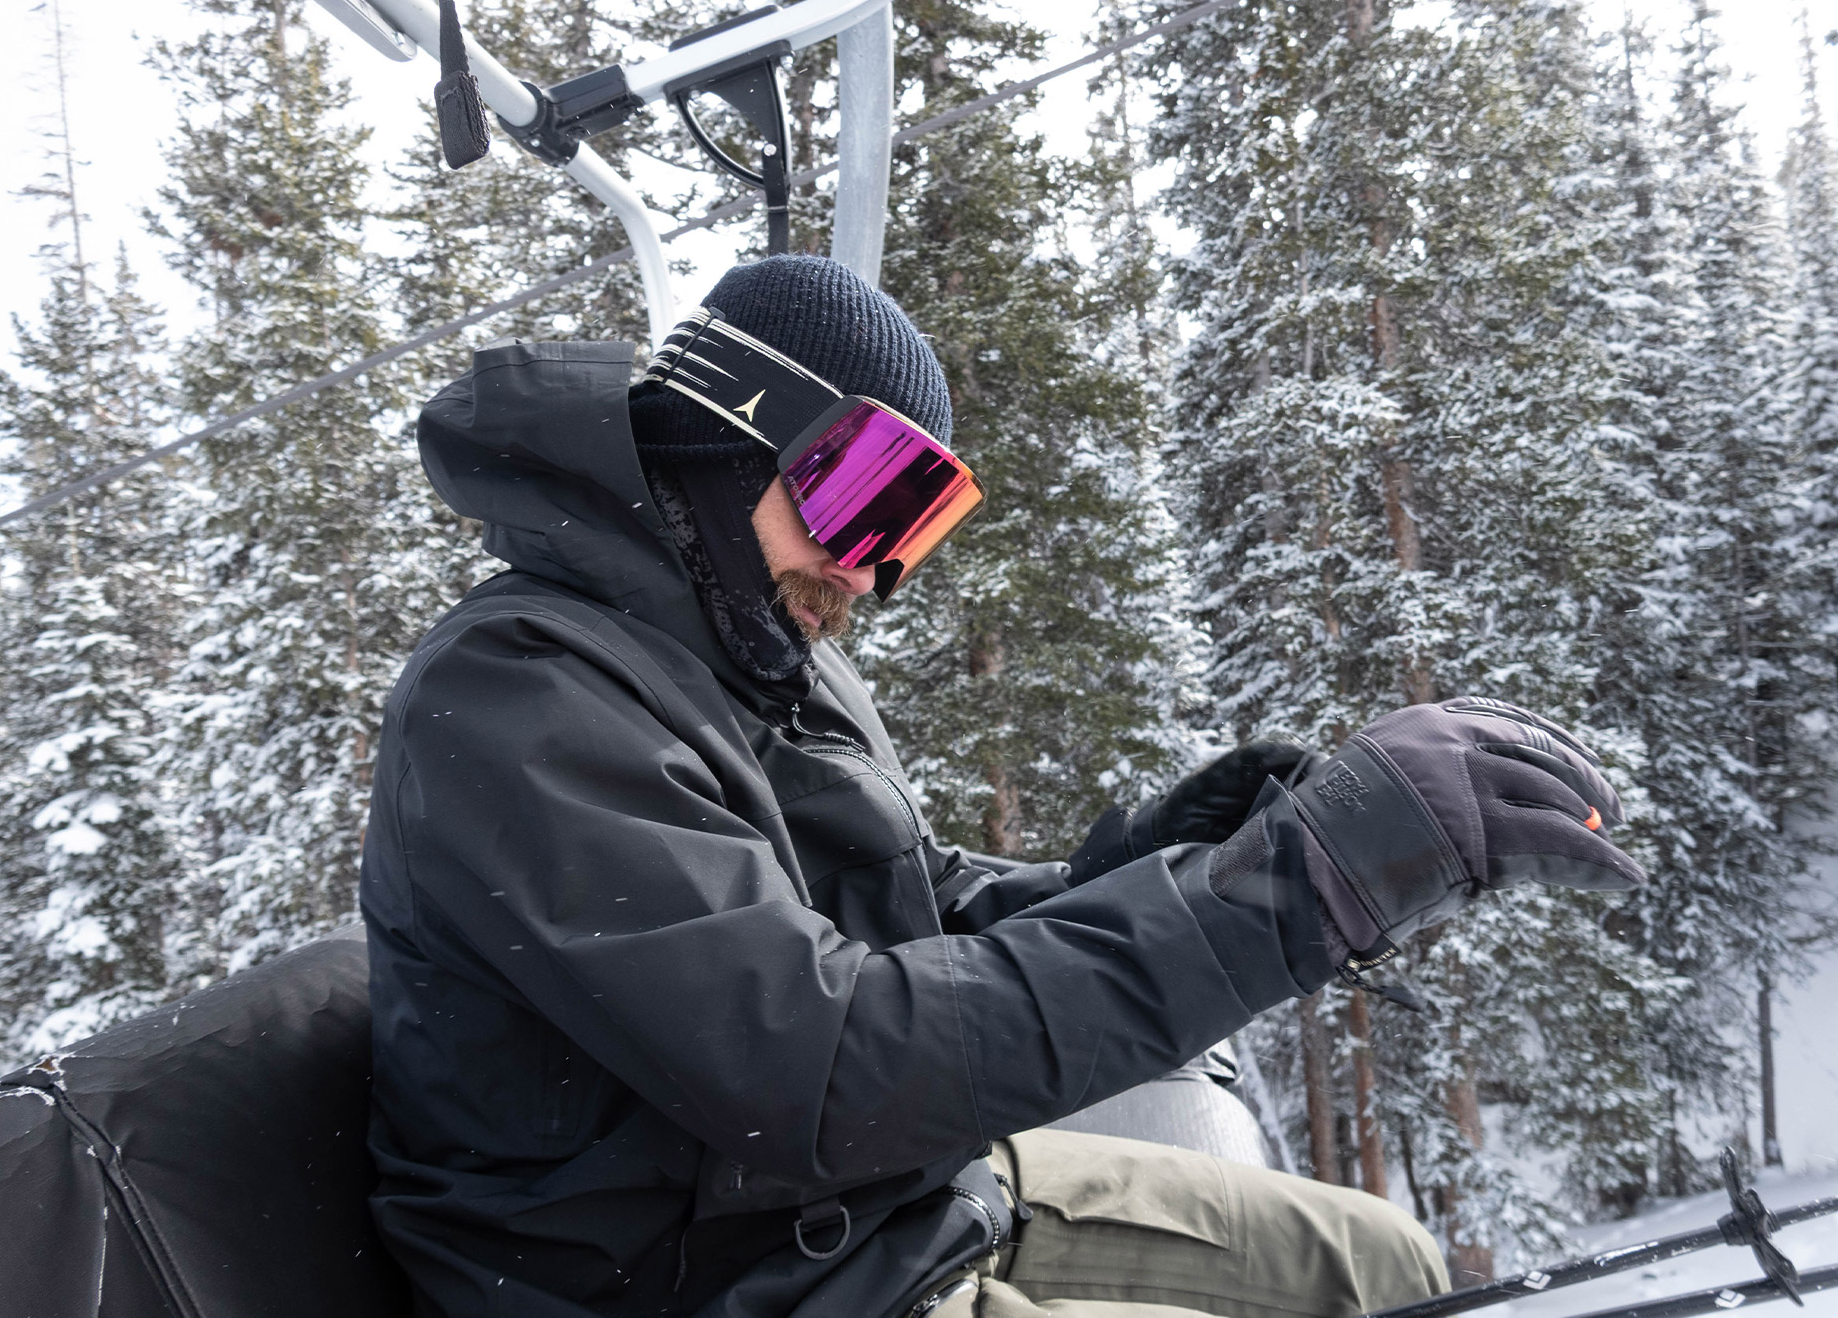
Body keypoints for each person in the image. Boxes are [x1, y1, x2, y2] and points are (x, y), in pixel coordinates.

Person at [359, 255, 1646, 1318]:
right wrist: (1293, 890)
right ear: (728, 426)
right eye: (863, 496)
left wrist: (1138, 867)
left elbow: (892, 909)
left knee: (1381, 1265)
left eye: (913, 522)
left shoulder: (738, 646)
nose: (870, 577)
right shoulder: (522, 695)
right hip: (708, 1284)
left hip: (865, 1217)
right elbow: (819, 1066)